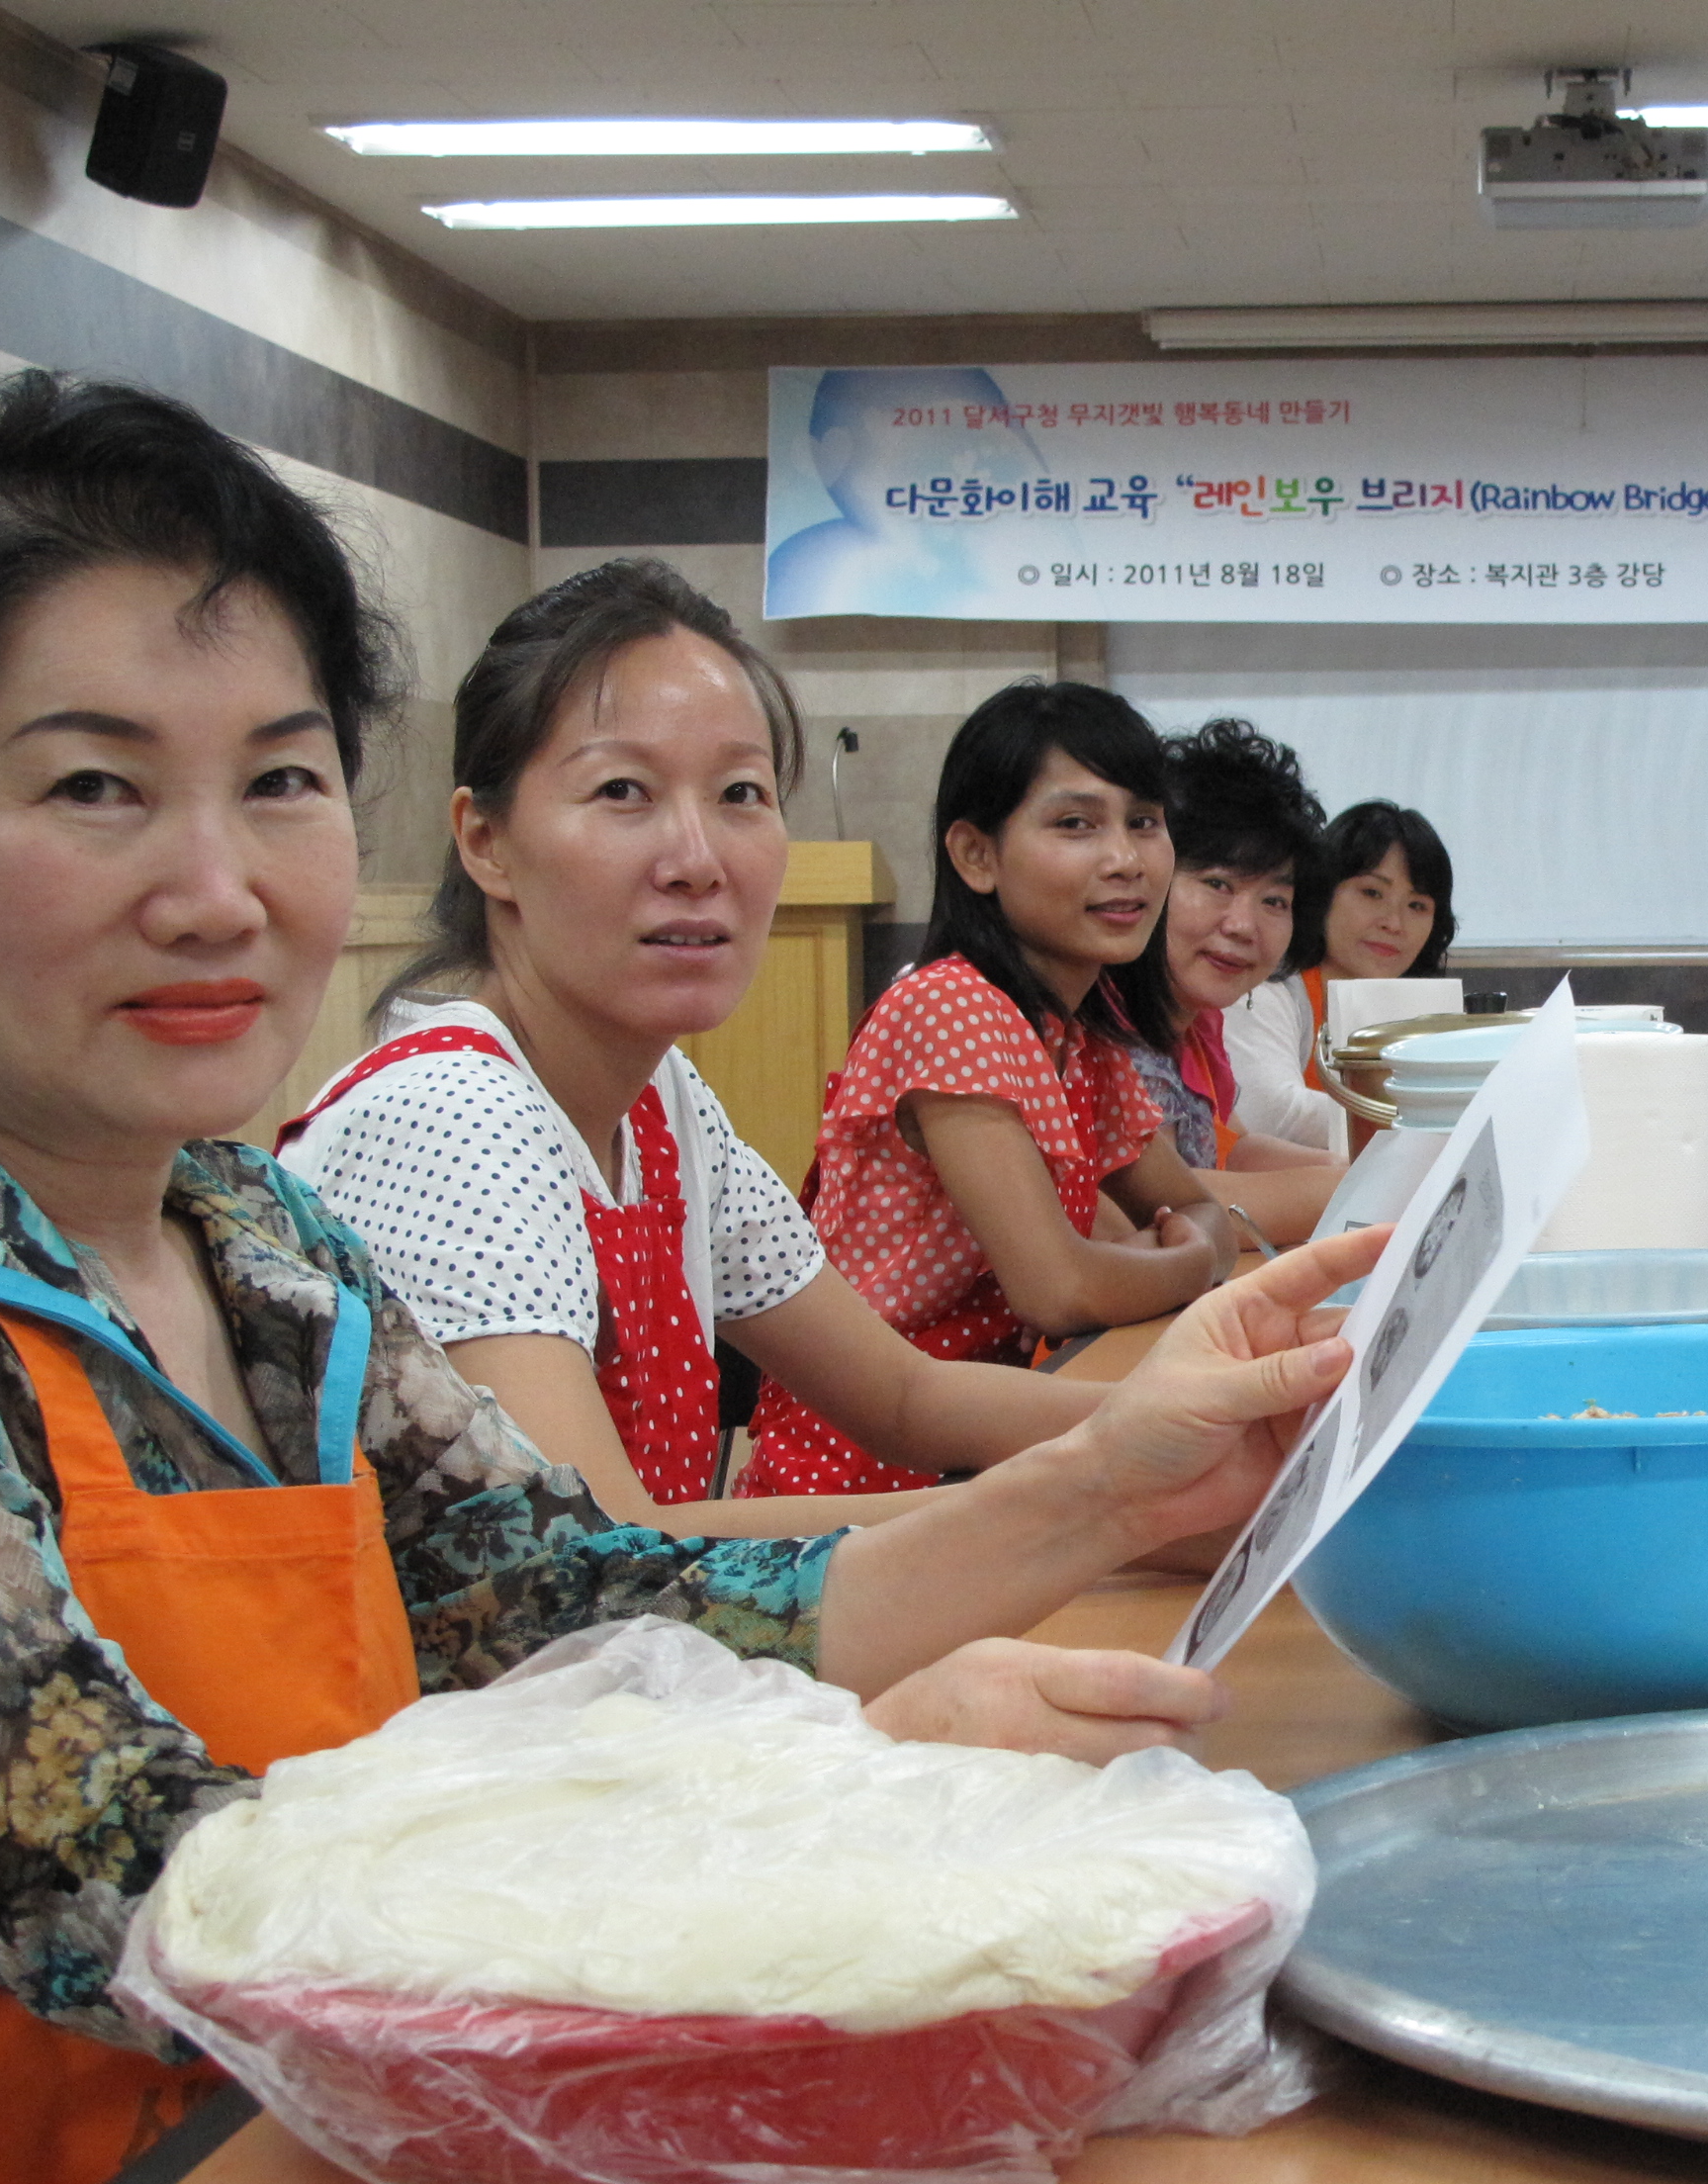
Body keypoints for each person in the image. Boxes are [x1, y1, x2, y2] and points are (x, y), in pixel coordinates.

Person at [0, 373, 1382, 2184]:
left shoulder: (269, 1252)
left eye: (282, 782)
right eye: (94, 791)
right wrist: (851, 1796)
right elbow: (133, 1885)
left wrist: (1117, 1484)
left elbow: (569, 1601)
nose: (219, 889)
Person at [283, 559, 1106, 1533]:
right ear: (485, 841)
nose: (699, 859)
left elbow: (902, 1399)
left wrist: (1194, 1424)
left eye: (741, 794)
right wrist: (1099, 1499)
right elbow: (598, 1554)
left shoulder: (660, 1102)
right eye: (623, 791)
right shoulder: (447, 1121)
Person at [741, 682, 1237, 1499]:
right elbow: (1056, 1289)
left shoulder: (1078, 1036)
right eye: (1076, 824)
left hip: (987, 1437)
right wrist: (1181, 1263)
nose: (1126, 858)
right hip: (870, 1470)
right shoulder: (951, 1006)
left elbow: (1202, 1212)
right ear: (975, 855)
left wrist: (1168, 1250)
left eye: (1144, 821)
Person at [1137, 717, 1342, 1244]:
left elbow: (1233, 1151)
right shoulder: (1103, 1024)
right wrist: (1359, 1192)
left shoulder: (1197, 1025)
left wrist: (1348, 1170)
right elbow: (1162, 1205)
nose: (1242, 924)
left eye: (1275, 900)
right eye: (1217, 884)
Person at [1223, 799, 1456, 1153]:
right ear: (1322, 892)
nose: (1393, 923)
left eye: (1417, 905)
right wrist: (1431, 1129)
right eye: (1372, 893)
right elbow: (1273, 1112)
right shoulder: (1266, 986)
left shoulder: (1424, 1014)